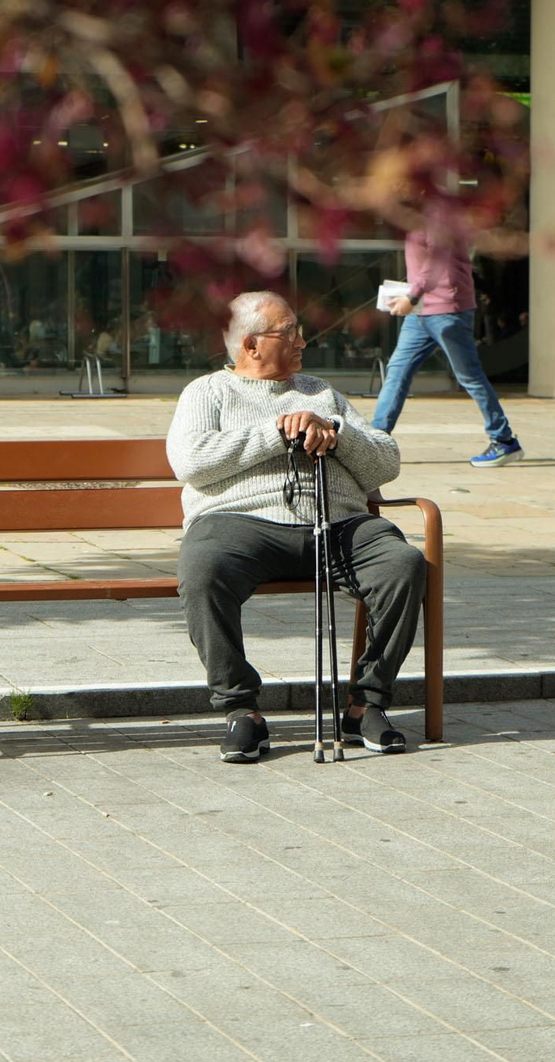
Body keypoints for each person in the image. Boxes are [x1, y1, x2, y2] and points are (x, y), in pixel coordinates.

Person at [168, 291, 428, 763]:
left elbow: (386, 461)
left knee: (403, 563)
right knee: (202, 568)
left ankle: (365, 703)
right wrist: (276, 431)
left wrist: (336, 430)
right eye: (288, 332)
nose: (302, 340)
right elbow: (192, 461)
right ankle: (240, 710)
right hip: (239, 524)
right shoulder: (207, 392)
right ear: (250, 345)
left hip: (339, 525)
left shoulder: (321, 393)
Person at [372, 216, 524, 467]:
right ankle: (376, 440)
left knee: (470, 377)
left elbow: (437, 260)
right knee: (397, 371)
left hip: (446, 311)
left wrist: (411, 296)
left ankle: (504, 440)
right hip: (420, 311)